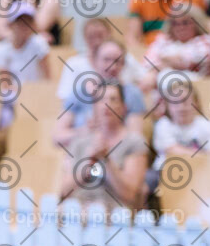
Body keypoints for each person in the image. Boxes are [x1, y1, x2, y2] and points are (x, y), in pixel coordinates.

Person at [59, 82, 149, 212]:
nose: (106, 105)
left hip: (115, 212)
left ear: (124, 107)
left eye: (113, 99)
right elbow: (63, 191)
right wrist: (89, 163)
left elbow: (130, 195)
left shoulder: (134, 142)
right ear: (94, 107)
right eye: (101, 100)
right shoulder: (79, 141)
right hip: (77, 209)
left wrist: (107, 161)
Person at [53, 40, 146, 147]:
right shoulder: (80, 93)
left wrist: (111, 132)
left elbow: (136, 137)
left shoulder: (131, 93)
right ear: (95, 61)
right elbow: (57, 138)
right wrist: (85, 131)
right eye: (106, 60)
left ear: (124, 64)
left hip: (118, 154)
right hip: (83, 153)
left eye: (117, 61)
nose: (112, 67)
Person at [147, 89, 210, 191]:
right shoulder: (163, 124)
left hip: (199, 170)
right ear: (167, 106)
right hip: (164, 170)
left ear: (196, 104)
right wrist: (202, 155)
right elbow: (172, 150)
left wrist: (198, 157)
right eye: (175, 103)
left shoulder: (206, 124)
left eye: (186, 102)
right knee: (148, 179)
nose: (181, 108)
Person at [56, 18, 145, 100]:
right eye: (91, 37)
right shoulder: (73, 63)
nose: (96, 41)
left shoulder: (125, 57)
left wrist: (128, 91)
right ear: (84, 37)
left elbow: (146, 80)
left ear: (110, 35)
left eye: (100, 36)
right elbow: (65, 98)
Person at [139, 2, 210, 92]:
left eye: (185, 23)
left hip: (195, 87)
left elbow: (195, 60)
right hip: (160, 85)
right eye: (175, 23)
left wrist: (164, 62)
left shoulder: (205, 40)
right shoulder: (163, 40)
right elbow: (147, 62)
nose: (180, 27)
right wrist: (168, 63)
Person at [0, 2, 50, 129]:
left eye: (28, 22)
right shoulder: (2, 48)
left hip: (37, 94)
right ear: (11, 24)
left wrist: (32, 92)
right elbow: (4, 83)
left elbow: (48, 78)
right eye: (19, 22)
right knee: (6, 117)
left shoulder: (39, 44)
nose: (24, 26)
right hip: (12, 97)